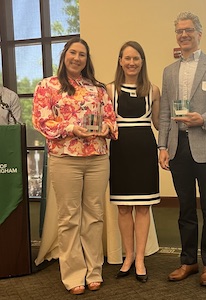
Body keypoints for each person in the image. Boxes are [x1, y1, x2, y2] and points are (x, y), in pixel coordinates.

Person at [32, 37, 118, 295]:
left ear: (86, 59)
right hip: (65, 159)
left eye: (82, 54)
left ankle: (94, 271)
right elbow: (40, 122)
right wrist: (71, 128)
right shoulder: (48, 85)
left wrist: (105, 128)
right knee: (68, 218)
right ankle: (72, 275)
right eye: (73, 53)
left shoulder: (98, 88)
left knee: (94, 217)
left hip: (97, 159)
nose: (77, 58)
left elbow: (113, 122)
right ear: (64, 55)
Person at [158, 12, 206, 286]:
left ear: (199, 34)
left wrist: (203, 118)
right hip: (178, 148)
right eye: (179, 31)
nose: (183, 35)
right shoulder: (169, 71)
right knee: (185, 208)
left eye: (189, 30)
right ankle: (189, 261)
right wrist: (162, 146)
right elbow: (165, 114)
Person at [107, 41, 160, 283]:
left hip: (144, 151)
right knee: (124, 207)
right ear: (120, 61)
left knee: (143, 207)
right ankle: (127, 256)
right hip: (120, 152)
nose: (131, 62)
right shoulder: (109, 91)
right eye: (127, 58)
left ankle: (140, 258)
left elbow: (160, 123)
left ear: (142, 61)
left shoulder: (153, 90)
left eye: (136, 58)